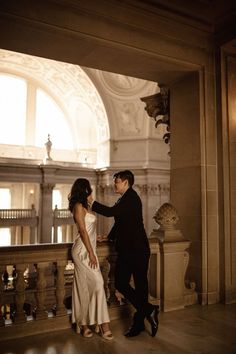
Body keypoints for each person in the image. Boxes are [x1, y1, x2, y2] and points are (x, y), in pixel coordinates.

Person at [91, 170, 159, 337]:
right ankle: (149, 309)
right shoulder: (124, 199)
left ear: (126, 182)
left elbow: (109, 213)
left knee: (141, 288)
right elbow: (120, 221)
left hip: (138, 250)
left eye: (117, 181)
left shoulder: (131, 198)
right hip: (128, 250)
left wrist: (91, 203)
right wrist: (108, 237)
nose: (115, 184)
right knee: (121, 283)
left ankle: (138, 324)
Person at [68, 178, 113, 340]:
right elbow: (82, 230)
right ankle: (89, 324)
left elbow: (89, 230)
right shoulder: (78, 207)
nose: (91, 192)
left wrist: (98, 238)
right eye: (89, 189)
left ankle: (93, 323)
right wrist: (92, 253)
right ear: (83, 190)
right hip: (82, 251)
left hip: (90, 247)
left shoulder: (85, 206)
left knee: (92, 286)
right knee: (92, 284)